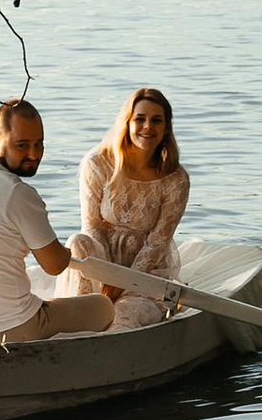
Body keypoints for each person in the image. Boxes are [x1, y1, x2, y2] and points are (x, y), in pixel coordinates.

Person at [0, 101, 115, 339]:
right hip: (7, 330)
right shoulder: (17, 193)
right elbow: (54, 266)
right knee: (103, 306)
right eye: (22, 145)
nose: (34, 154)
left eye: (39, 143)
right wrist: (66, 252)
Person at [71, 85, 190, 328]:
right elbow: (92, 226)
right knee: (77, 241)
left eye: (156, 120)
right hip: (102, 261)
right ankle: (79, 319)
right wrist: (108, 276)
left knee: (123, 316)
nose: (148, 126)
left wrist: (123, 282)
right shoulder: (98, 163)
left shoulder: (176, 178)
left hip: (147, 271)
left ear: (166, 128)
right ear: (127, 123)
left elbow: (158, 242)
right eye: (140, 119)